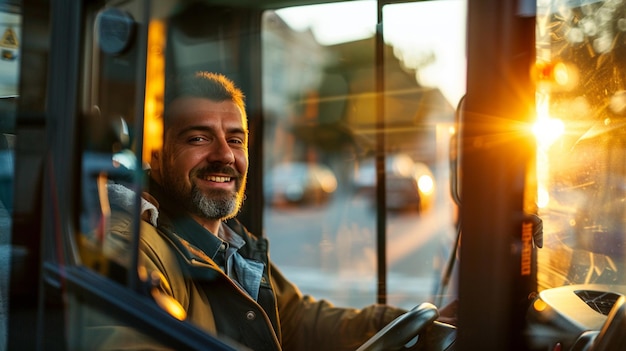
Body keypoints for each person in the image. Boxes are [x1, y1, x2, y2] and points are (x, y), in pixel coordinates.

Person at [105, 71, 444, 351]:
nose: (224, 155)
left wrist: (411, 323)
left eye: (236, 140)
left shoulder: (233, 242)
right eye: (198, 138)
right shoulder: (130, 246)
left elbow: (295, 319)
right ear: (158, 156)